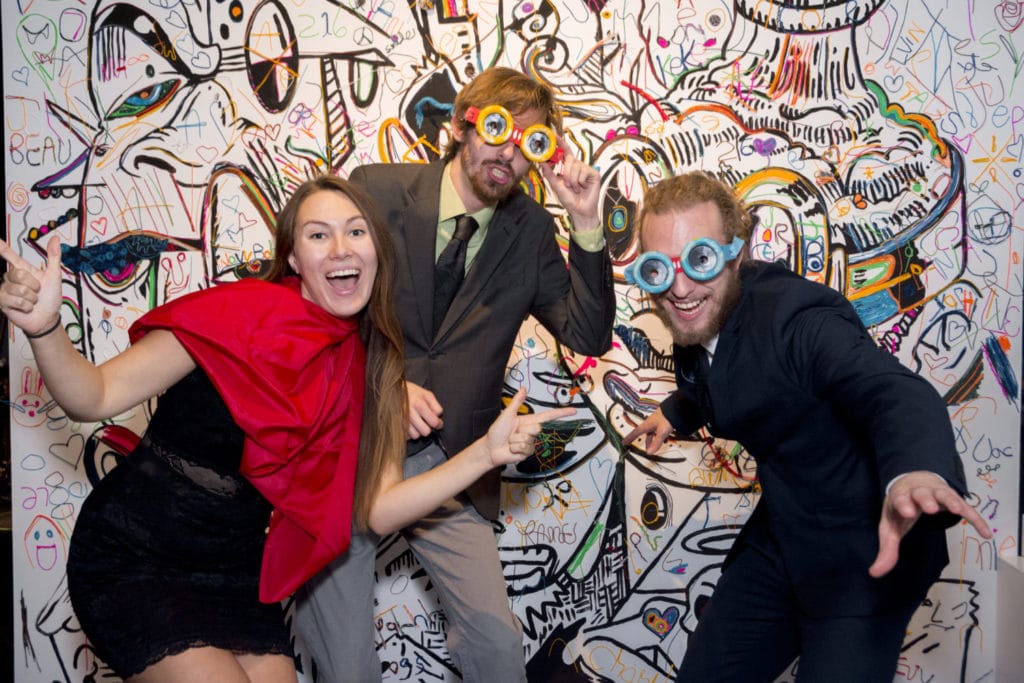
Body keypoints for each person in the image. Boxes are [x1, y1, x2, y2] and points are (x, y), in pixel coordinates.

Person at [0, 174, 575, 683]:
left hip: (232, 574)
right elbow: (95, 395)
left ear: (377, 251)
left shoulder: (371, 367)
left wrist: (483, 455)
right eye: (318, 235)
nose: (340, 248)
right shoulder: (233, 313)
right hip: (137, 556)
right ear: (294, 257)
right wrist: (46, 329)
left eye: (356, 231)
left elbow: (379, 510)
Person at [295, 67, 616, 681]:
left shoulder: (531, 230)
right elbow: (312, 308)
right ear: (460, 127)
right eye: (496, 128)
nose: (508, 152)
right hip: (348, 448)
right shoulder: (376, 191)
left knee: (497, 648)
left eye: (529, 142)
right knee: (348, 662)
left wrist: (584, 223)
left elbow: (587, 336)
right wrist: (385, 385)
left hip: (451, 461)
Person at [621, 171, 993, 682]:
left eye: (700, 259)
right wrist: (674, 412)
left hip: (864, 556)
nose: (680, 288)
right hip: (785, 535)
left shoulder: (796, 320)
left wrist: (916, 470)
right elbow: (718, 377)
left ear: (735, 254)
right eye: (659, 269)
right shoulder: (702, 314)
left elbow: (891, 390)